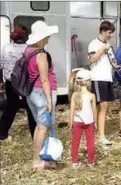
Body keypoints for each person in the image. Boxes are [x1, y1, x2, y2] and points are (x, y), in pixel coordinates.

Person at [25, 21, 59, 169]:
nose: (48, 37)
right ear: (40, 38)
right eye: (46, 35)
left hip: (31, 92)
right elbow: (44, 79)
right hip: (42, 92)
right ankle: (37, 161)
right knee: (43, 127)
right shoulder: (41, 55)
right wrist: (49, 100)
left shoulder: (27, 51)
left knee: (40, 126)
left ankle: (40, 156)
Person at [88, 21, 121, 146]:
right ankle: (101, 135)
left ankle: (98, 131)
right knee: (103, 105)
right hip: (98, 78)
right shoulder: (94, 44)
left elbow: (111, 61)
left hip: (108, 78)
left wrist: (117, 66)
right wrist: (102, 49)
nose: (111, 35)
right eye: (109, 32)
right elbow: (92, 59)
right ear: (103, 31)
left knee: (103, 106)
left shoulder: (109, 45)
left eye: (112, 33)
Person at [0, 25, 36, 141]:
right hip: (26, 83)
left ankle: (2, 133)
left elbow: (1, 65)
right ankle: (35, 135)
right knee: (31, 107)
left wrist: (2, 80)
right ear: (25, 37)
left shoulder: (6, 48)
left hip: (10, 82)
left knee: (10, 107)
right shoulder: (29, 49)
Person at [69, 69, 97, 167]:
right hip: (89, 121)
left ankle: (74, 161)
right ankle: (90, 161)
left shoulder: (74, 95)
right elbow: (94, 111)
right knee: (90, 141)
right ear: (88, 82)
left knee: (75, 141)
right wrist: (96, 123)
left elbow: (71, 110)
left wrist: (70, 121)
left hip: (77, 121)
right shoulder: (92, 95)